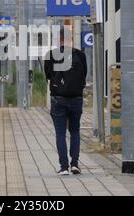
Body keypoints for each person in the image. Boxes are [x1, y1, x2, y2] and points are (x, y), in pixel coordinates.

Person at [44, 28, 87, 176]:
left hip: (58, 100)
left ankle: (64, 167)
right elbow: (84, 76)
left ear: (58, 40)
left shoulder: (50, 55)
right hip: (76, 99)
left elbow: (48, 76)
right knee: (75, 131)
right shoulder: (80, 55)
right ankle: (75, 164)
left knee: (60, 133)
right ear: (71, 40)